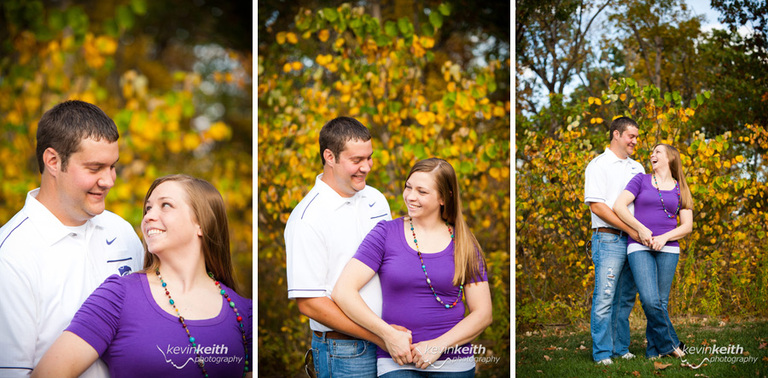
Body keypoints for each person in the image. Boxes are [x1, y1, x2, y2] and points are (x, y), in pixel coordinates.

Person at [32, 174, 253, 377]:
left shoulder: (244, 312)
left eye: (165, 205)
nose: (148, 217)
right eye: (148, 208)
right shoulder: (118, 297)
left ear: (201, 223)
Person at [0, 100, 144, 377]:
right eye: (95, 168)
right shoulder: (11, 256)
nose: (110, 181)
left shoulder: (122, 232)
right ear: (53, 161)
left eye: (112, 166)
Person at [333, 158, 493, 377]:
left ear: (444, 198)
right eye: (408, 187)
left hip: (453, 361)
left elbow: (483, 313)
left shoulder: (464, 242)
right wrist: (387, 334)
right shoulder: (385, 233)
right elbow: (343, 291)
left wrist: (437, 346)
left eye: (422, 191)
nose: (410, 196)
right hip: (396, 359)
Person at [285, 117, 393, 377]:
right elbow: (310, 303)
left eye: (369, 158)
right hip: (345, 350)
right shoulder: (306, 219)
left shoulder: (376, 199)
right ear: (329, 156)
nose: (366, 167)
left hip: (391, 341)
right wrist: (379, 335)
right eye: (356, 160)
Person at [613, 144, 692, 359]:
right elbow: (619, 206)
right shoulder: (641, 179)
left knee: (661, 302)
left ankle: (653, 350)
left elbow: (687, 226)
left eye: (658, 152)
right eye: (652, 152)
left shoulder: (681, 188)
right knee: (649, 300)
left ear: (670, 158)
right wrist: (640, 229)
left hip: (669, 249)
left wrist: (665, 237)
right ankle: (672, 344)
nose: (652, 155)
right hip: (639, 245)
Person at [583, 116, 646, 365]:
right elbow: (597, 206)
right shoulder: (598, 165)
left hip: (635, 241)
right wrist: (629, 229)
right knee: (605, 297)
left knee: (626, 298)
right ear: (616, 135)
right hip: (608, 240)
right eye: (631, 136)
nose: (635, 141)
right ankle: (601, 353)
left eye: (637, 137)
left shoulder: (638, 168)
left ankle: (621, 348)